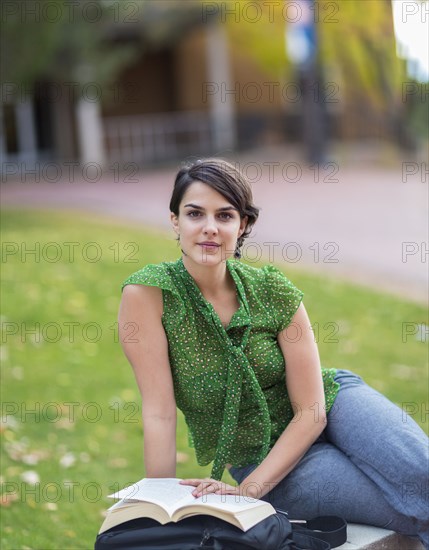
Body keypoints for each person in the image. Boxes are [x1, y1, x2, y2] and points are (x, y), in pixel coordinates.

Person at [118, 158, 429, 549]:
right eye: (195, 213)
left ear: (243, 225)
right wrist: (164, 513)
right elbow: (159, 412)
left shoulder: (272, 289)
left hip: (332, 404)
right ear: (175, 221)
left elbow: (312, 412)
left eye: (225, 215)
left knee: (424, 478)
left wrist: (243, 493)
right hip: (268, 464)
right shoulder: (148, 296)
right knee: (410, 510)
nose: (209, 228)